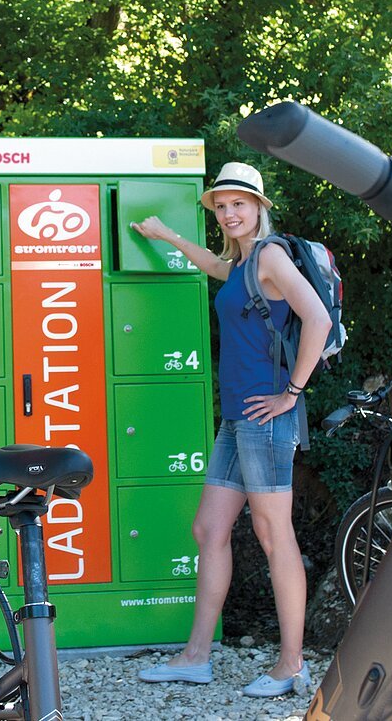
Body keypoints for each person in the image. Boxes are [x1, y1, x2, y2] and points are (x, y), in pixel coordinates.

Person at [131, 161, 328, 698]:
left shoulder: (271, 255)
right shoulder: (242, 264)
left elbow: (319, 320)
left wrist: (292, 391)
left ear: (260, 207)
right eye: (221, 206)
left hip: (267, 419)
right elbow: (215, 269)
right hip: (240, 418)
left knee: (273, 535)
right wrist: (166, 235)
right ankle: (196, 657)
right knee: (209, 530)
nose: (228, 212)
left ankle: (292, 665)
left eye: (238, 203)